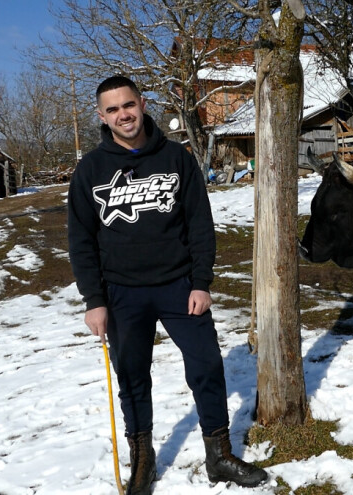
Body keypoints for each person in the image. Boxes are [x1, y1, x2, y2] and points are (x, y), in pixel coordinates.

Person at [67, 75, 268, 493]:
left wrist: (201, 282)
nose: (123, 114)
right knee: (132, 377)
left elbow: (200, 224)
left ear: (141, 103)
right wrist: (94, 300)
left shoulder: (176, 158)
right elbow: (80, 241)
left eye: (128, 105)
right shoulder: (90, 170)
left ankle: (219, 455)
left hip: (179, 286)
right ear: (101, 116)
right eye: (112, 109)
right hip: (121, 293)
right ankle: (143, 461)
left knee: (207, 365)